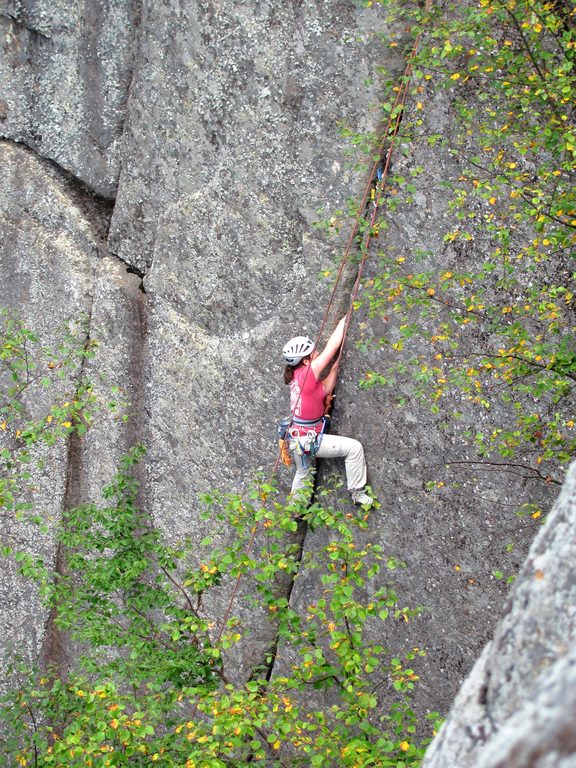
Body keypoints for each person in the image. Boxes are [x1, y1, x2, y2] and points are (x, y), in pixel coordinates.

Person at [282, 317, 373, 506]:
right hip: (309, 439)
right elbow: (331, 347)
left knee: (303, 472)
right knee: (354, 448)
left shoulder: (300, 377)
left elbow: (331, 376)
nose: (316, 353)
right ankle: (357, 493)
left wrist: (341, 357)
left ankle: (295, 510)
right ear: (306, 361)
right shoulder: (307, 373)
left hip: (297, 438)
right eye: (312, 352)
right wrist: (346, 318)